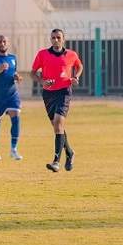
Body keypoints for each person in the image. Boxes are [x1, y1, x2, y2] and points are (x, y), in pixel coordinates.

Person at [30, 28, 83, 172]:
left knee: (59, 123)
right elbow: (32, 73)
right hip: (48, 94)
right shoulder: (42, 54)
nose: (56, 40)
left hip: (64, 92)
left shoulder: (71, 54)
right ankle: (70, 153)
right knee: (57, 127)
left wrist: (76, 77)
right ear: (50, 39)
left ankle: (56, 162)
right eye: (53, 37)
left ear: (63, 39)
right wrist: (42, 81)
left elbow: (79, 66)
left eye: (58, 37)